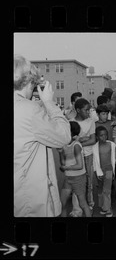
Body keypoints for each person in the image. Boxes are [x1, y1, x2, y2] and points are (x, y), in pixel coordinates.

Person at [14, 55, 71, 217]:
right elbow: (64, 136)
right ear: (30, 81)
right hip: (30, 199)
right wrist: (48, 103)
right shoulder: (30, 110)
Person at [69, 98, 96, 216]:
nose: (88, 112)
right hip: (75, 157)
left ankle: (90, 203)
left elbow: (93, 140)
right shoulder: (70, 122)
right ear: (78, 110)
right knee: (77, 182)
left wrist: (78, 142)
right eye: (86, 110)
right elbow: (68, 140)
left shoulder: (90, 121)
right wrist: (83, 139)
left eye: (89, 110)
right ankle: (77, 209)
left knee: (89, 181)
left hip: (88, 155)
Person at [58, 121, 91, 217]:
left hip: (79, 178)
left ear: (70, 132)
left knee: (83, 204)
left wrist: (66, 167)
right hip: (68, 178)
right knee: (62, 203)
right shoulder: (65, 145)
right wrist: (60, 152)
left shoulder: (76, 145)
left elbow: (80, 165)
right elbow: (63, 164)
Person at [95, 104, 116, 200]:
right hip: (101, 153)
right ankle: (104, 193)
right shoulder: (95, 125)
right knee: (103, 172)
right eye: (103, 114)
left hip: (112, 150)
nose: (105, 116)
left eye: (107, 114)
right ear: (97, 114)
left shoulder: (111, 123)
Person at [93, 126, 116, 217]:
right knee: (100, 189)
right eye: (101, 135)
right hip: (99, 171)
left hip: (109, 170)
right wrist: (97, 172)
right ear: (97, 137)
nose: (104, 137)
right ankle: (103, 207)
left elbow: (114, 158)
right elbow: (94, 162)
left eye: (105, 135)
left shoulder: (111, 145)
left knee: (107, 190)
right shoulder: (95, 147)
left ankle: (108, 208)